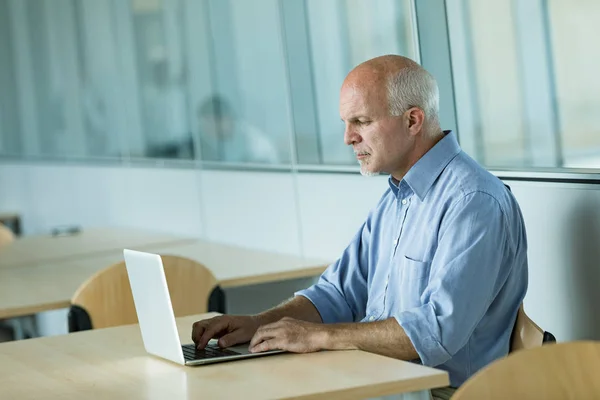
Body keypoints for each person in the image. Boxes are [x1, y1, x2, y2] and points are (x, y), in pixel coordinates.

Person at [191, 55, 528, 398]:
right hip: (379, 378)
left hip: (438, 392)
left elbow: (438, 330)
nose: (348, 138)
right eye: (345, 123)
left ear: (413, 120)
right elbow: (337, 294)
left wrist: (319, 336)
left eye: (361, 121)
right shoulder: (396, 199)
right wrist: (257, 323)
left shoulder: (473, 201)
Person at [197, 95, 281, 164]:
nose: (206, 130)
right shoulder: (216, 142)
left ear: (224, 119)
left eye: (209, 124)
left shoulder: (253, 140)